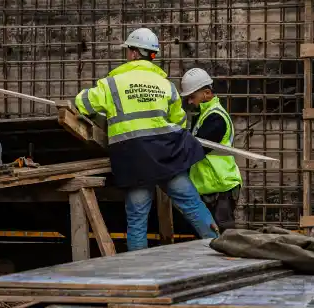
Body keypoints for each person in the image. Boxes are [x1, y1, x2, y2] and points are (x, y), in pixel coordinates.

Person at [74, 28, 218, 251]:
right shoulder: (166, 85)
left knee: (137, 219)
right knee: (192, 205)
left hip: (135, 161)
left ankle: (138, 272)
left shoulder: (112, 84)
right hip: (166, 157)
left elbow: (82, 103)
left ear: (132, 53)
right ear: (152, 55)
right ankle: (218, 248)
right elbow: (179, 121)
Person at [180, 68, 242, 231]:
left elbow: (195, 150)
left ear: (207, 93)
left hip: (220, 187)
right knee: (210, 234)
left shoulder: (215, 117)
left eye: (192, 97)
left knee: (222, 233)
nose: (190, 102)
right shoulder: (204, 115)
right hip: (211, 186)